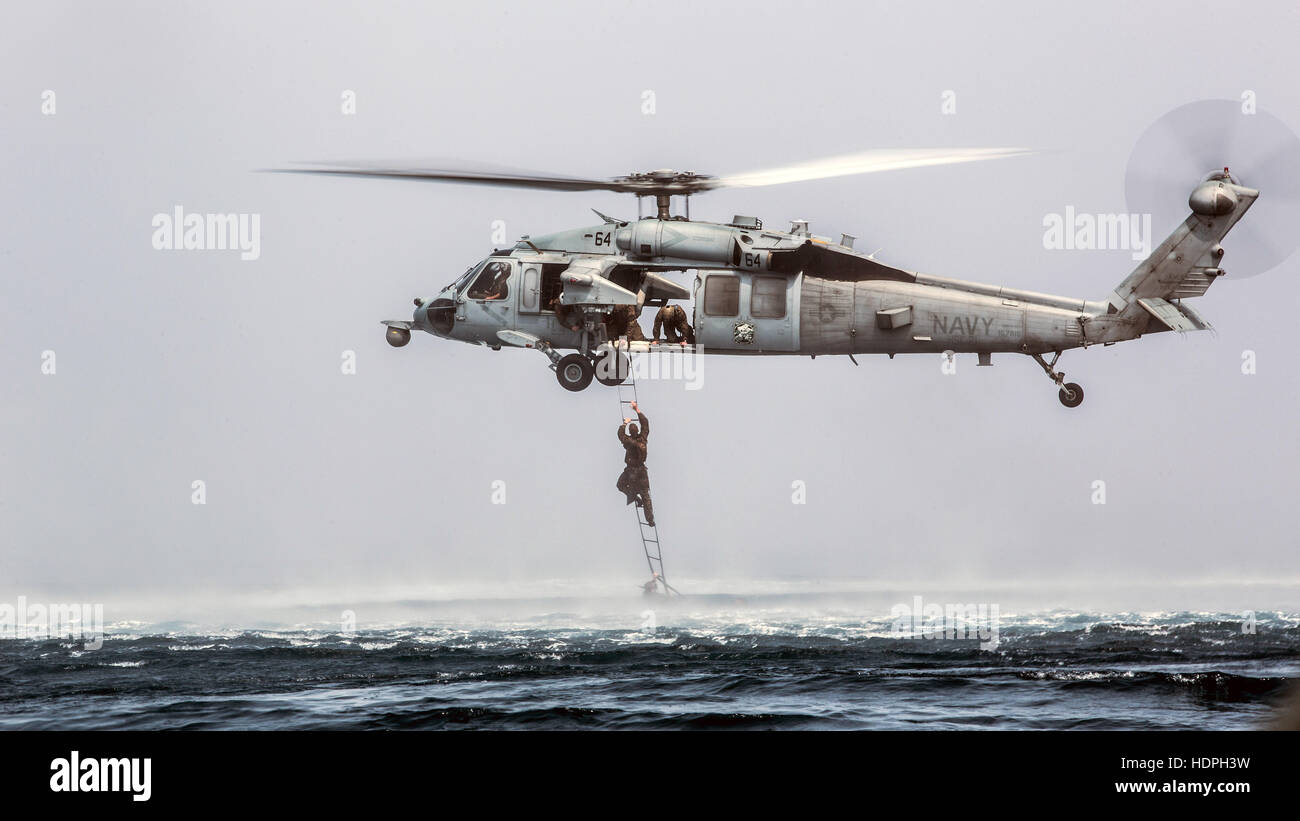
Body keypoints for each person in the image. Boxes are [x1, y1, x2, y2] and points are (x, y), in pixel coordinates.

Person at [616, 400, 654, 526]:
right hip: (641, 471)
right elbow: (645, 424)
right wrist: (637, 410)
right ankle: (650, 519)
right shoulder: (642, 438)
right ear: (637, 430)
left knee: (621, 485)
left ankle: (634, 497)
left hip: (632, 471)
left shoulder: (628, 441)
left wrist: (625, 423)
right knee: (645, 496)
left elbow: (621, 435)